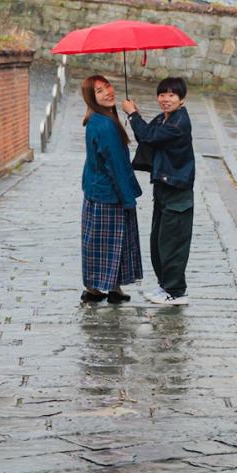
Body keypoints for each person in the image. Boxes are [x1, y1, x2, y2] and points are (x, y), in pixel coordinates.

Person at [122, 77, 195, 307]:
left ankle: (176, 291)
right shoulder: (165, 119)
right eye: (162, 94)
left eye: (172, 95)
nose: (166, 99)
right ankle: (166, 286)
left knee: (172, 243)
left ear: (182, 99)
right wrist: (137, 115)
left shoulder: (179, 121)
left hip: (177, 191)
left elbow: (147, 136)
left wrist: (132, 114)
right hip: (163, 188)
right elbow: (147, 132)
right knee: (158, 242)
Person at [78, 74, 143, 304]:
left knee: (104, 242)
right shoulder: (105, 125)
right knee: (110, 243)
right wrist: (128, 198)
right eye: (99, 91)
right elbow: (115, 165)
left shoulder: (99, 119)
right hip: (109, 195)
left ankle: (109, 287)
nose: (107, 92)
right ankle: (97, 289)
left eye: (107, 86)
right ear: (91, 98)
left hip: (97, 192)